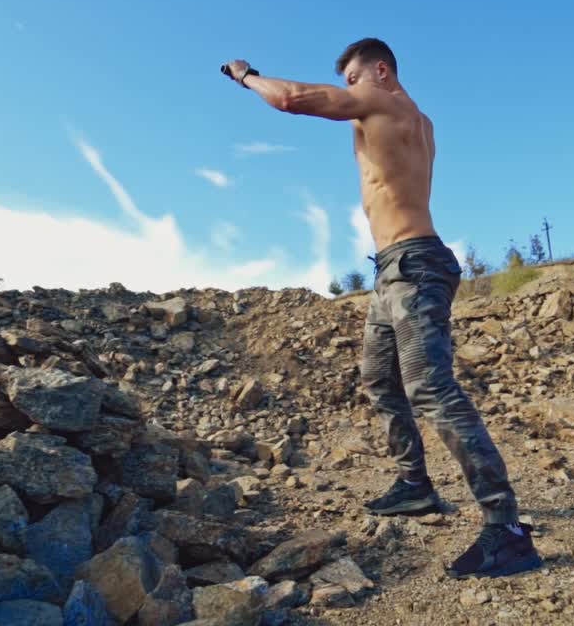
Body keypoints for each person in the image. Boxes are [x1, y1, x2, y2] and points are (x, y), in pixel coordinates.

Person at [222, 38, 542, 579]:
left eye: (354, 77)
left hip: (414, 265)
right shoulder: (417, 119)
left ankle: (506, 528)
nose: (350, 89)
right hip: (393, 270)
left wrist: (246, 75)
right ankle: (414, 485)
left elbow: (292, 98)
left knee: (431, 388)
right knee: (379, 379)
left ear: (381, 69)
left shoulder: (386, 102)